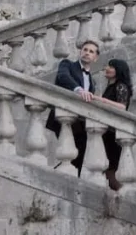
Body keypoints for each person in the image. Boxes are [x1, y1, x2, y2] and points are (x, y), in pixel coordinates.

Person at [46, 39, 100, 175]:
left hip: (80, 122)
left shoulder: (92, 81)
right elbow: (62, 77)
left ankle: (71, 180)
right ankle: (56, 178)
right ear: (80, 52)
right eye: (85, 50)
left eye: (91, 51)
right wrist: (79, 90)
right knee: (69, 150)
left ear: (95, 58)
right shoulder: (67, 65)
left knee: (78, 155)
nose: (87, 53)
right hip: (63, 117)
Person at [93, 58, 133, 191]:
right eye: (107, 66)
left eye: (111, 66)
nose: (106, 68)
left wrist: (101, 100)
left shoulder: (121, 86)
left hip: (113, 133)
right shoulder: (111, 86)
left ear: (118, 70)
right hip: (107, 132)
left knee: (111, 170)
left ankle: (125, 198)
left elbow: (122, 107)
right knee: (108, 171)